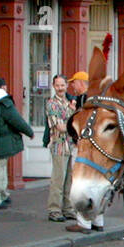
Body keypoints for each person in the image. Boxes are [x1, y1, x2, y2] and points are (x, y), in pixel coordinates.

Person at [64, 70, 105, 234]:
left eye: (74, 82)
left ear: (81, 83)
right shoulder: (99, 99)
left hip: (84, 148)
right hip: (98, 148)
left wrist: (73, 112)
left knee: (80, 184)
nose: (72, 86)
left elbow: (80, 124)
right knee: (96, 184)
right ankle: (98, 220)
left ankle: (83, 223)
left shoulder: (83, 99)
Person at [0, 77, 35, 209]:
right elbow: (16, 119)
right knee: (0, 167)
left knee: (0, 166)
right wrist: (29, 132)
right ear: (3, 88)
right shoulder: (4, 102)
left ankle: (2, 194)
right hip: (3, 139)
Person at [45, 74, 76, 222]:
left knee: (69, 179)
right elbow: (60, 126)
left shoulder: (69, 103)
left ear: (66, 86)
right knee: (58, 179)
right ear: (53, 86)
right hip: (58, 145)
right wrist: (72, 123)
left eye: (62, 85)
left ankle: (68, 208)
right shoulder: (51, 104)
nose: (60, 88)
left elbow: (72, 122)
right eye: (57, 85)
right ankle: (54, 210)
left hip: (70, 145)